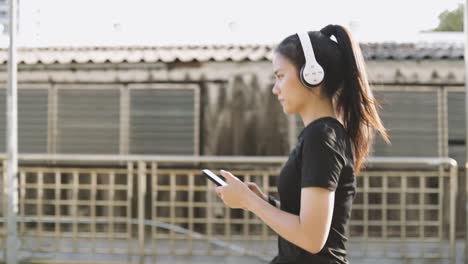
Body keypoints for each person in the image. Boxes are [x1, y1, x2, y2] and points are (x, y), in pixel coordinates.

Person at [214, 24, 389, 264]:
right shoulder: (319, 134)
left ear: (312, 74)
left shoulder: (323, 137)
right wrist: (266, 203)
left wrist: (250, 202)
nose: (276, 89)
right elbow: (308, 220)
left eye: (280, 76)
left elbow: (312, 238)